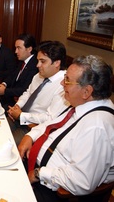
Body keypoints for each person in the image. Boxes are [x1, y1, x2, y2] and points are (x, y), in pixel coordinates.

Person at [18, 55, 114, 201]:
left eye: (67, 80)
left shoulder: (96, 127)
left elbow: (82, 181)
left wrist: (39, 173)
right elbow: (52, 123)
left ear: (86, 91)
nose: (62, 83)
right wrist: (30, 136)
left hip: (51, 191)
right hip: (33, 164)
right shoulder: (80, 105)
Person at [8, 41, 70, 145]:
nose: (37, 65)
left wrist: (22, 116)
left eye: (42, 61)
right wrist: (17, 106)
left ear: (56, 63)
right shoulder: (38, 76)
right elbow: (27, 93)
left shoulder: (64, 85)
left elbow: (50, 118)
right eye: (38, 61)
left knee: (8, 144)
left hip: (34, 127)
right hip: (20, 116)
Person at [0, 33, 38, 111]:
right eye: (15, 48)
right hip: (10, 98)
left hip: (19, 105)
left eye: (19, 48)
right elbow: (13, 75)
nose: (15, 51)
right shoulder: (22, 61)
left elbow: (25, 89)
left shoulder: (35, 66)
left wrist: (5, 91)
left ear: (29, 49)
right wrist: (4, 84)